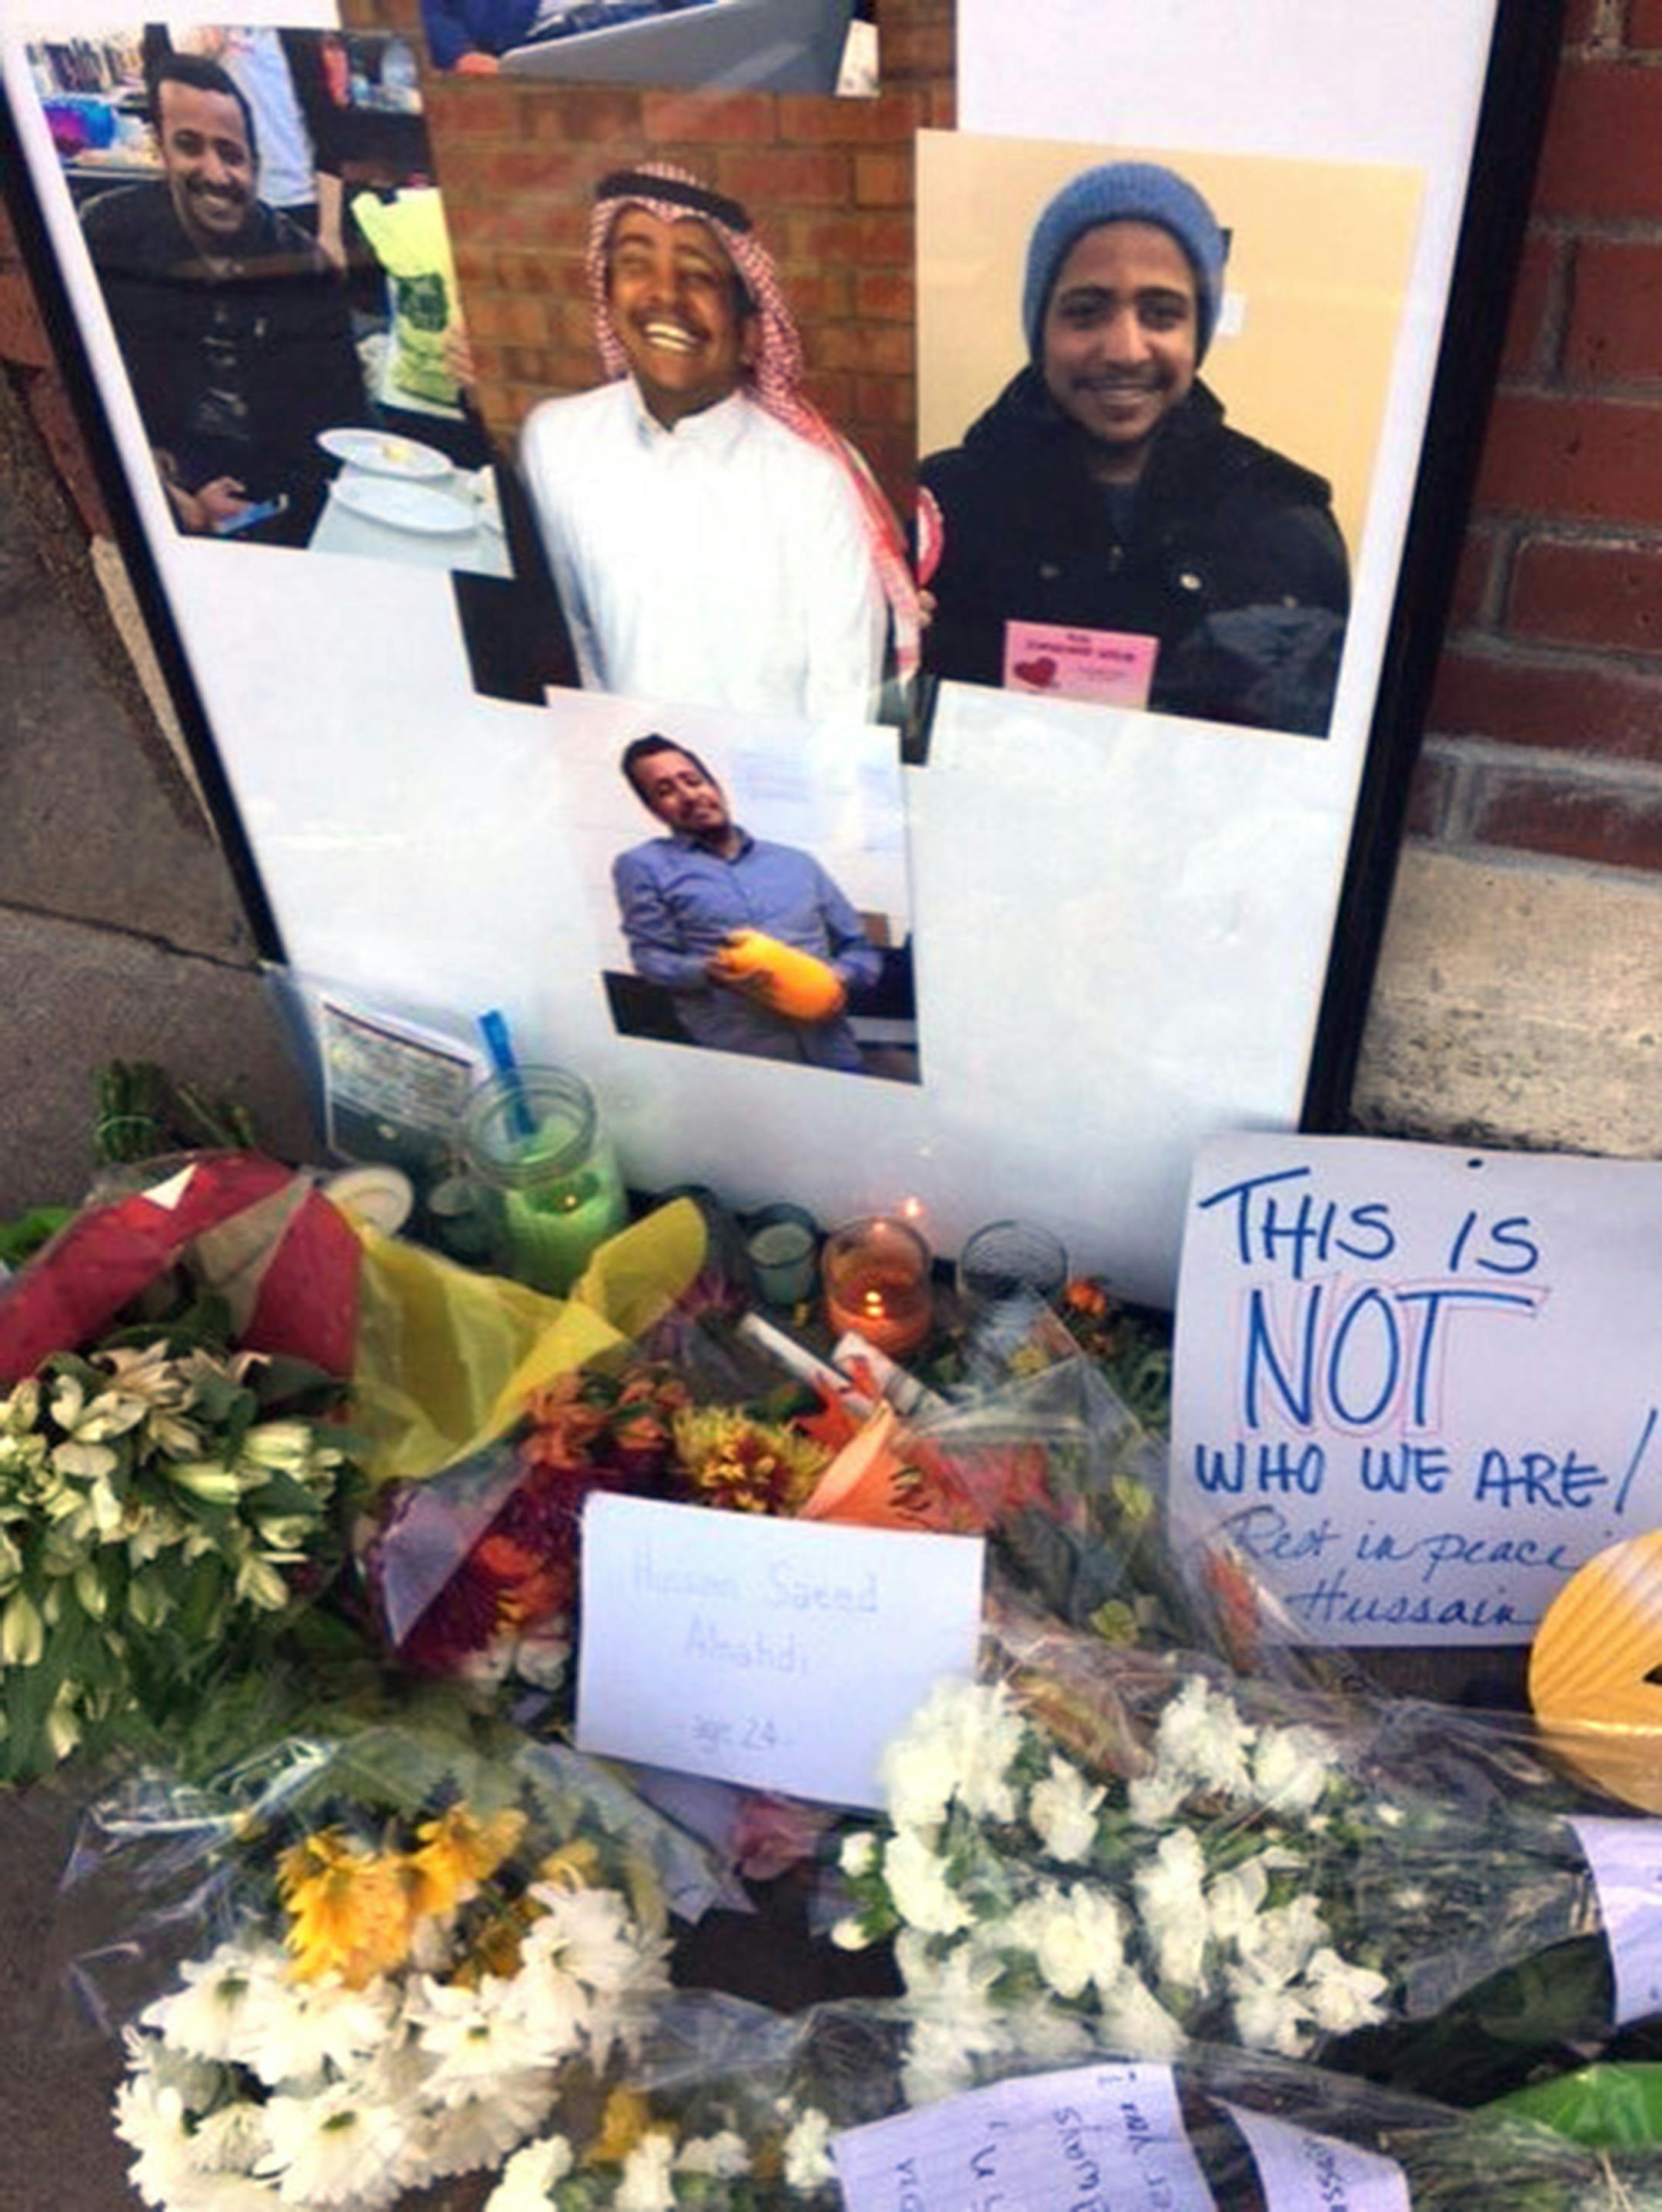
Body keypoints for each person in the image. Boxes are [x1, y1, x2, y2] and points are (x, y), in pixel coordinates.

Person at [919, 161, 1350, 737]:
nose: (1124, 349)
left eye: (1161, 313)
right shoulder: (939, 513)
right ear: (1040, 327)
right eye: (1086, 311)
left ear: (1198, 333)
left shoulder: (1288, 527)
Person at [519, 162, 917, 724]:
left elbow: (842, 705)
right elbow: (570, 640)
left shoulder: (815, 482)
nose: (665, 294)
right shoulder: (556, 441)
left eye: (699, 275)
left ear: (752, 332)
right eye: (634, 265)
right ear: (605, 301)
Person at [80, 51, 369, 546]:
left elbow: (338, 428)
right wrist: (168, 490)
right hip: (147, 469)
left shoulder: (305, 271)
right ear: (161, 151)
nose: (215, 173)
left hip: (273, 488)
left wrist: (260, 506)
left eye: (231, 154)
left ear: (255, 167)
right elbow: (78, 391)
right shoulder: (103, 236)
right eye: (189, 146)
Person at [612, 734, 882, 1072]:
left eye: (693, 780)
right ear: (652, 809)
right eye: (665, 791)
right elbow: (649, 958)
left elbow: (860, 949)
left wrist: (835, 979)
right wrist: (708, 972)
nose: (688, 795)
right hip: (743, 1059)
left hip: (833, 1050)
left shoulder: (798, 863)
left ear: (714, 785)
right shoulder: (642, 866)